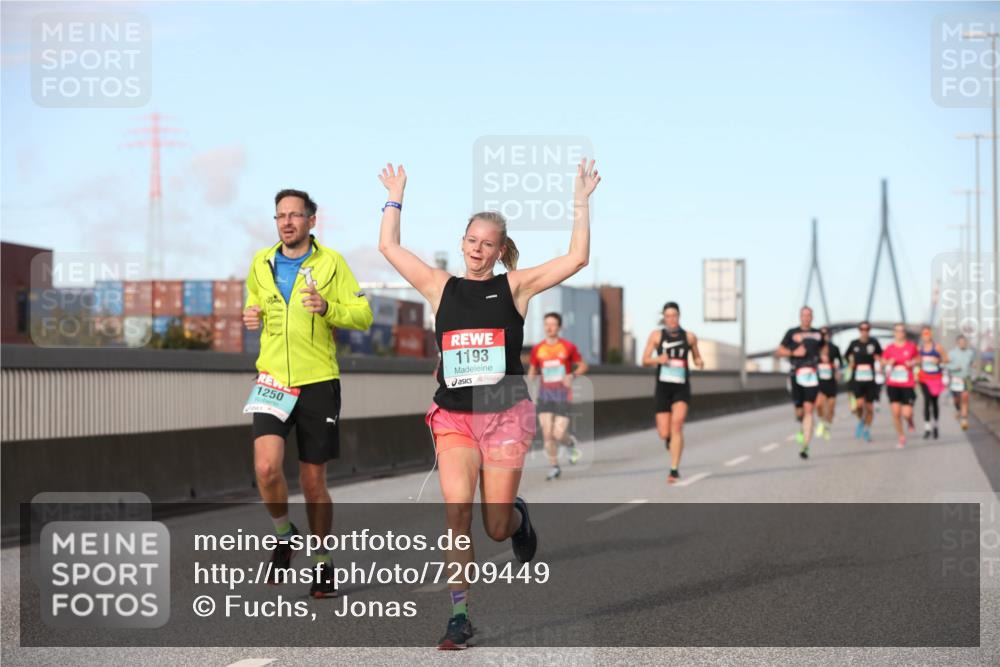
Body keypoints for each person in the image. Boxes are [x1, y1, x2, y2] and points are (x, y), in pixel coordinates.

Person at [377, 159, 600, 650]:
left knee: (496, 527)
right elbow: (389, 247)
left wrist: (580, 202)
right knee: (457, 512)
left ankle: (518, 517)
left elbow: (577, 259)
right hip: (454, 418)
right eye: (472, 241)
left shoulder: (514, 287)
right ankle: (459, 616)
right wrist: (395, 196)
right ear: (462, 242)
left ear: (501, 251)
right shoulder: (440, 286)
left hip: (504, 415)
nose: (478, 250)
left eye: (488, 244)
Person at [243, 189, 373, 598]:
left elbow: (363, 315)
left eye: (295, 215)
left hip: (318, 380)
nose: (287, 222)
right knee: (266, 468)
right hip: (273, 379)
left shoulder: (331, 263)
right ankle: (284, 534)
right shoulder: (260, 263)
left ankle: (322, 562)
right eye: (280, 215)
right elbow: (254, 304)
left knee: (313, 482)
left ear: (311, 221)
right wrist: (250, 315)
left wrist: (328, 308)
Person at [641, 301, 705, 483]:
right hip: (663, 387)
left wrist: (699, 362)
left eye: (674, 315)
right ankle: (670, 440)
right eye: (668, 316)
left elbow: (697, 357)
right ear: (664, 318)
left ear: (679, 316)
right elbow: (644, 360)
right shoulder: (656, 336)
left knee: (677, 425)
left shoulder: (689, 337)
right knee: (664, 432)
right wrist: (657, 359)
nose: (671, 319)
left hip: (681, 387)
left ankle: (674, 469)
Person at [527, 312, 588, 481]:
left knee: (558, 434)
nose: (549, 327)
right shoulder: (538, 349)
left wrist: (572, 375)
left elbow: (583, 366)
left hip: (563, 395)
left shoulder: (568, 347)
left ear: (559, 327)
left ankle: (570, 444)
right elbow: (533, 369)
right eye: (546, 324)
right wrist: (531, 375)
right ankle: (555, 467)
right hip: (545, 395)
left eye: (553, 324)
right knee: (547, 434)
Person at [777, 306, 824, 459]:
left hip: (812, 374)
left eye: (809, 315)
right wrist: (793, 352)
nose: (806, 317)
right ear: (800, 317)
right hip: (796, 374)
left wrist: (825, 359)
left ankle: (805, 446)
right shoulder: (792, 333)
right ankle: (801, 424)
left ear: (812, 317)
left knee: (809, 409)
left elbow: (824, 350)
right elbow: (779, 351)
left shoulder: (818, 334)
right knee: (800, 412)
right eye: (804, 315)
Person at [844, 321, 882, 442]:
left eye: (867, 329)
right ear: (859, 330)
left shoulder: (874, 343)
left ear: (869, 330)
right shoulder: (854, 343)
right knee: (859, 405)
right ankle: (861, 420)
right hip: (857, 379)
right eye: (862, 329)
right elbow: (846, 356)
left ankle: (867, 429)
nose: (864, 331)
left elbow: (881, 356)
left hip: (870, 379)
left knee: (869, 407)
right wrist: (850, 362)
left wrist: (879, 360)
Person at [882, 323, 918, 448]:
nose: (900, 333)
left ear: (904, 333)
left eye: (902, 331)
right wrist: (888, 362)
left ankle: (910, 420)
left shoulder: (911, 346)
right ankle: (901, 436)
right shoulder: (889, 348)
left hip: (907, 384)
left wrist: (913, 362)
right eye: (897, 331)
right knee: (896, 413)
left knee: (906, 414)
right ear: (894, 333)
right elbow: (882, 361)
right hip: (893, 384)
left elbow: (919, 359)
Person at [916, 325, 948, 439]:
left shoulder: (937, 347)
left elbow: (946, 359)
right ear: (922, 336)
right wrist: (917, 362)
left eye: (928, 333)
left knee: (934, 403)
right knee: (926, 401)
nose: (926, 335)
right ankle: (927, 428)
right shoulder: (920, 349)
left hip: (936, 379)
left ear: (931, 334)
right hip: (924, 378)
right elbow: (917, 362)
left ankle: (935, 425)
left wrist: (938, 360)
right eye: (924, 334)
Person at [814, 326, 843, 441]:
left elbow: (841, 363)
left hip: (831, 381)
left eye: (826, 334)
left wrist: (838, 371)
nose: (824, 336)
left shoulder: (834, 348)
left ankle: (827, 426)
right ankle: (822, 421)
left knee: (831, 408)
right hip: (819, 380)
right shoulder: (815, 347)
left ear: (830, 335)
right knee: (819, 404)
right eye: (821, 334)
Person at [947, 334, 976, 430]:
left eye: (964, 342)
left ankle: (964, 420)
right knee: (956, 400)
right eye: (961, 342)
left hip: (966, 378)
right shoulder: (951, 353)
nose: (963, 344)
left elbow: (972, 362)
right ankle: (957, 409)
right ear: (957, 343)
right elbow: (945, 365)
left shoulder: (970, 353)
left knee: (965, 398)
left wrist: (973, 364)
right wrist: (954, 367)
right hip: (955, 378)